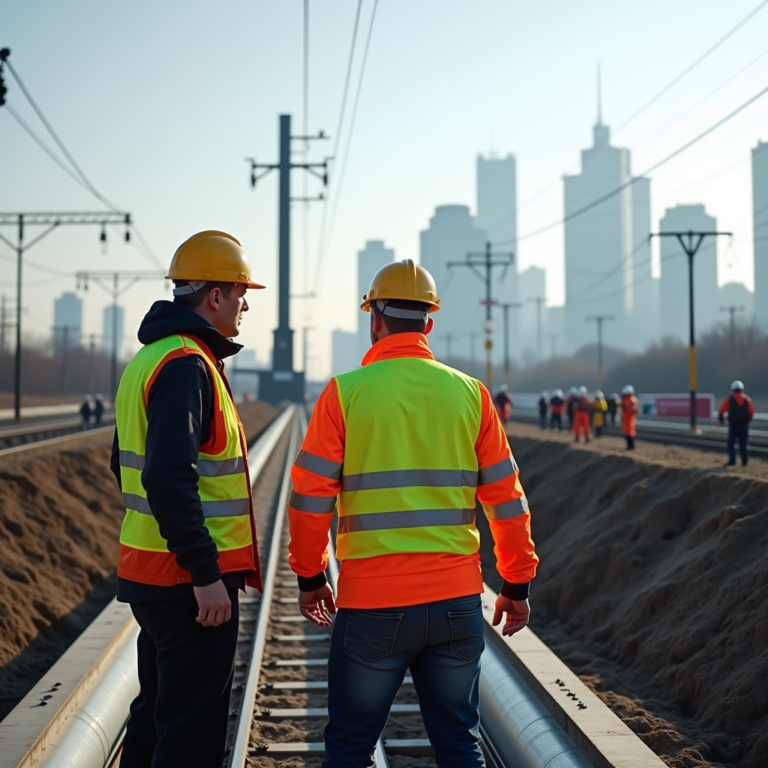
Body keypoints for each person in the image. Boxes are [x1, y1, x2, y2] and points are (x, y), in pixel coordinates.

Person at [288, 259, 539, 768]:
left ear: (374, 320)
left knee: (351, 747)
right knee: (458, 742)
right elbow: (507, 502)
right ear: (429, 322)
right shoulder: (473, 395)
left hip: (372, 604)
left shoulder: (345, 394)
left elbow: (310, 499)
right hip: (455, 602)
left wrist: (311, 574)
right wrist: (517, 583)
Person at [111, 231, 266, 768]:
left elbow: (125, 467)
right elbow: (167, 476)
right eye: (240, 292)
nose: (245, 304)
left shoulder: (152, 359)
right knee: (191, 735)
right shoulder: (187, 366)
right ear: (215, 297)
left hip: (154, 573)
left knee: (156, 717)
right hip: (189, 585)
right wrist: (203, 574)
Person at [718, 379, 754, 467]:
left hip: (733, 425)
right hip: (744, 425)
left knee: (731, 443)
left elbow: (721, 411)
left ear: (733, 389)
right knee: (744, 444)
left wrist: (721, 419)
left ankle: (732, 461)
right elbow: (751, 412)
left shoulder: (729, 400)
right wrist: (747, 420)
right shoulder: (747, 400)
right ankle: (744, 461)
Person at [621, 385, 639, 450]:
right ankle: (630, 445)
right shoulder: (630, 399)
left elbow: (632, 409)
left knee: (629, 432)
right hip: (627, 419)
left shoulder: (630, 400)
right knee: (628, 432)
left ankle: (631, 446)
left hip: (629, 419)